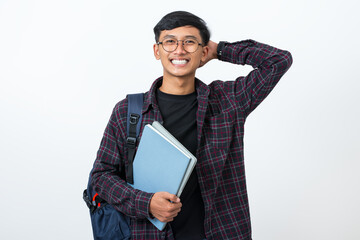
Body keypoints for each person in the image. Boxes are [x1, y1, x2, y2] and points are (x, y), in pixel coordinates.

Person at [91, 11, 292, 240]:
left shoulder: (228, 101)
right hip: (148, 233)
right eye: (170, 42)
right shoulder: (128, 111)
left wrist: (219, 50)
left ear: (203, 51)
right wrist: (146, 203)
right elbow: (101, 176)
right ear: (157, 51)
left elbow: (278, 61)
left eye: (189, 42)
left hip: (220, 233)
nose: (179, 50)